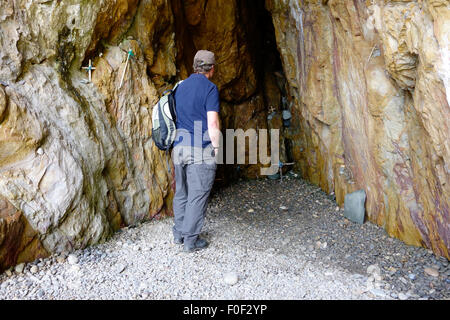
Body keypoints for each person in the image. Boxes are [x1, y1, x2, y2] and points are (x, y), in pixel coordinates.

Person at [171, 50, 221, 253]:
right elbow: (213, 122)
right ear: (212, 69)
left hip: (179, 146)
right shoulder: (210, 88)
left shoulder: (180, 87)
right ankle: (191, 240)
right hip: (199, 147)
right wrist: (217, 148)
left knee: (181, 192)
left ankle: (179, 234)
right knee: (197, 194)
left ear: (194, 67)